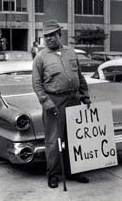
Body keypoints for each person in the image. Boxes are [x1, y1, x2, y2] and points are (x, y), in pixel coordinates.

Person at [32, 20, 91, 189]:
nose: (49, 39)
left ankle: (76, 171)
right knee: (53, 140)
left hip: (74, 99)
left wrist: (84, 95)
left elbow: (79, 76)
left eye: (52, 35)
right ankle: (53, 174)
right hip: (54, 102)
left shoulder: (71, 53)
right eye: (46, 36)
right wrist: (46, 102)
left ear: (60, 35)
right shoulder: (40, 57)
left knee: (75, 137)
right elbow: (37, 84)